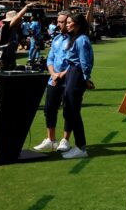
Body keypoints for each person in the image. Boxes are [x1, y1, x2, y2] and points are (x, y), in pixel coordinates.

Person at [34, 11, 73, 153]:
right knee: (49, 109)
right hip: (54, 79)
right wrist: (53, 74)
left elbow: (75, 62)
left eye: (62, 22)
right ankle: (51, 140)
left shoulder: (74, 39)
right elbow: (50, 59)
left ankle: (65, 140)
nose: (58, 24)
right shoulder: (56, 39)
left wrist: (61, 75)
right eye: (58, 21)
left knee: (68, 111)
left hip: (67, 80)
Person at [59, 13, 94, 159]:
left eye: (69, 22)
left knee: (73, 110)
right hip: (72, 72)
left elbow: (84, 61)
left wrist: (86, 79)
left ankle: (81, 147)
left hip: (77, 73)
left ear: (77, 24)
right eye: (66, 22)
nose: (66, 24)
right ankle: (78, 145)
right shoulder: (75, 38)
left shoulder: (81, 40)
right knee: (69, 109)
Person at [0, 2, 35, 71]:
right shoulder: (5, 27)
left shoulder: (16, 29)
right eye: (18, 21)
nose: (19, 22)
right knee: (1, 76)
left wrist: (24, 43)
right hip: (1, 56)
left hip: (10, 56)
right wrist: (27, 6)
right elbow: (18, 17)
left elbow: (20, 41)